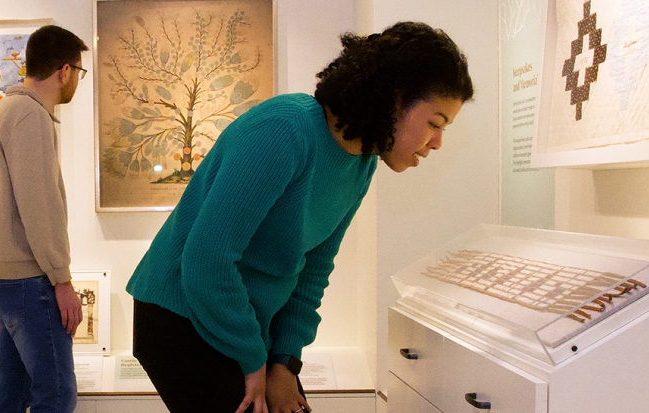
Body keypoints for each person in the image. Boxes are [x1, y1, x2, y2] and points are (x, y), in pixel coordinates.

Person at [125, 22, 474, 413]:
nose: (437, 143)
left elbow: (312, 272)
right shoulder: (284, 129)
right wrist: (254, 361)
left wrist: (286, 362)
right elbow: (207, 262)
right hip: (181, 312)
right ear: (395, 99)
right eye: (435, 124)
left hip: (244, 321)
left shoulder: (362, 163)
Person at [0, 24, 89, 413]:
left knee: (12, 394)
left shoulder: (1, 113)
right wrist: (62, 279)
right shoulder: (30, 116)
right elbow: (40, 206)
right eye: (79, 71)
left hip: (1, 278)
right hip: (29, 280)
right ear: (65, 71)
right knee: (56, 395)